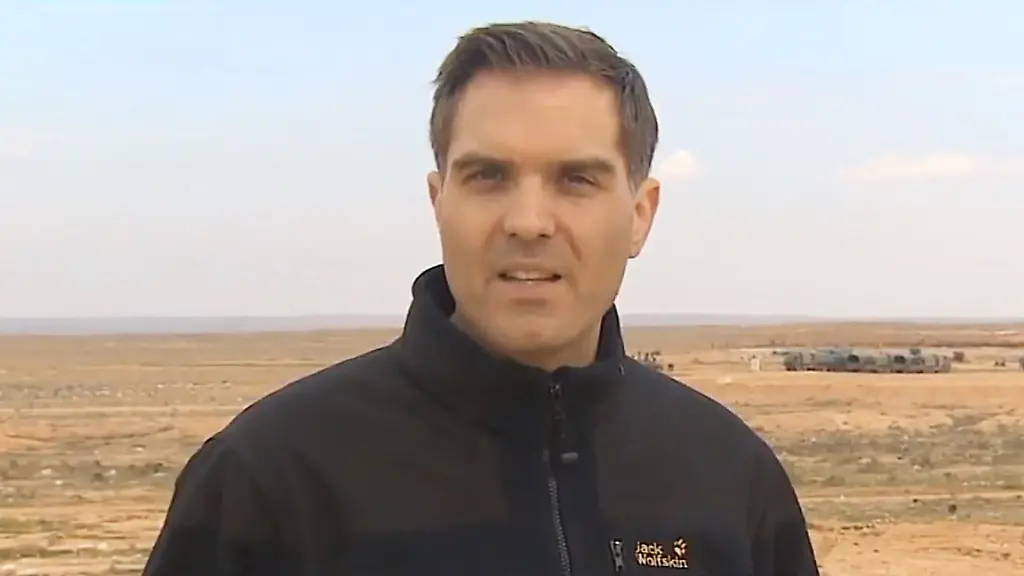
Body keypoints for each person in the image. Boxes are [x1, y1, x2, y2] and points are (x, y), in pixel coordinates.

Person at [143, 21, 820, 576]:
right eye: (489, 176)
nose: (528, 222)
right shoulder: (272, 480)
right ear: (439, 202)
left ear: (640, 215)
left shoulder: (730, 479)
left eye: (576, 180)